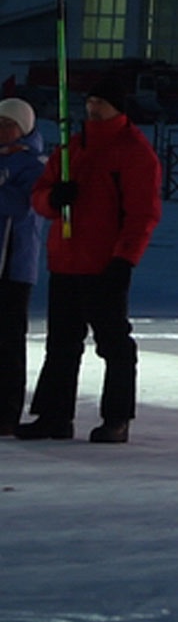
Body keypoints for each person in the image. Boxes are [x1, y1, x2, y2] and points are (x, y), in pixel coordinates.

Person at [18, 72, 162, 443]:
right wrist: (54, 199)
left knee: (113, 343)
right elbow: (39, 196)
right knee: (61, 344)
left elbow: (142, 213)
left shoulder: (133, 152)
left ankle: (117, 417)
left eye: (101, 103)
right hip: (66, 259)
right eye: (90, 103)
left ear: (116, 108)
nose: (93, 108)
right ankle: (54, 416)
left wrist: (125, 259)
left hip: (105, 262)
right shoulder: (72, 148)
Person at [0, 96, 46, 432]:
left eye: (7, 124)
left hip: (14, 265)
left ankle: (6, 412)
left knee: (9, 340)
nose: (1, 130)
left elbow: (25, 205)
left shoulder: (33, 164)